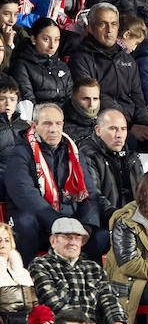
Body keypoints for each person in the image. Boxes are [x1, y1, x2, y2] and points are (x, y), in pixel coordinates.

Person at [5, 104, 102, 260]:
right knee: (25, 222)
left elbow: (89, 194)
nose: (53, 129)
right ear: (34, 125)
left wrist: (86, 227)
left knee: (100, 235)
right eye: (47, 123)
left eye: (58, 123)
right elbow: (24, 194)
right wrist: (59, 224)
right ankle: (29, 279)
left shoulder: (74, 153)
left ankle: (91, 282)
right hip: (39, 222)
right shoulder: (20, 152)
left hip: (68, 221)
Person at [66, 2, 148, 146]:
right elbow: (95, 99)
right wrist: (128, 126)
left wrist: (147, 124)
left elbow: (138, 97)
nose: (109, 30)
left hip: (129, 124)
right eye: (103, 24)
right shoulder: (81, 58)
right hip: (103, 126)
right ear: (90, 27)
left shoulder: (127, 59)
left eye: (114, 24)